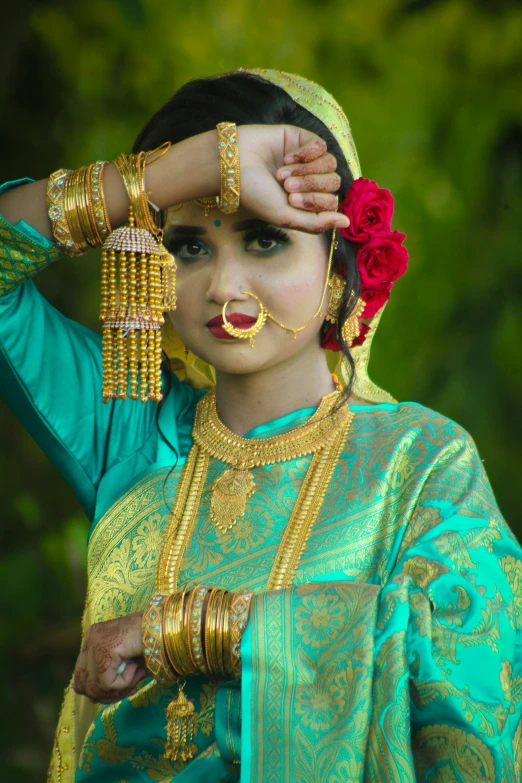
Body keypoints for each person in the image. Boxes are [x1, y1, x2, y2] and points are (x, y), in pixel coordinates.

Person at [0, 69, 520, 783]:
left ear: (339, 270)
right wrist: (181, 169)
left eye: (264, 239)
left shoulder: (419, 460)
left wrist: (185, 631)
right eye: (188, 246)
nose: (222, 285)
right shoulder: (126, 425)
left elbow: (477, 678)